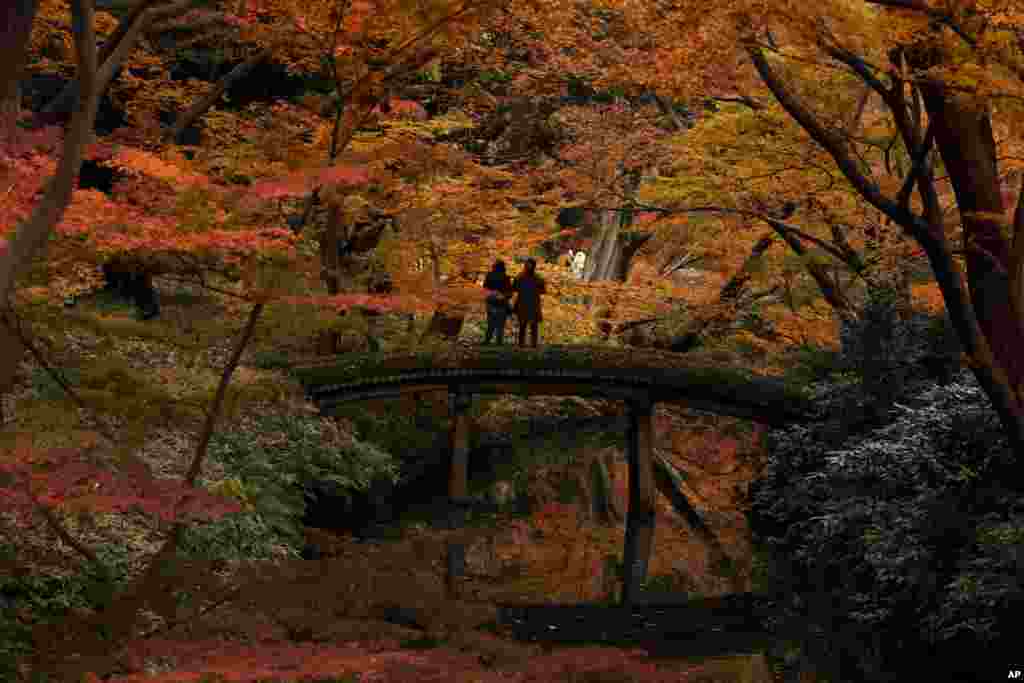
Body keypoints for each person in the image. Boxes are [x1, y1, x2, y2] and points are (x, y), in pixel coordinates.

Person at [512, 258, 546, 347]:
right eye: (527, 265)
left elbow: (542, 290)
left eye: (529, 265)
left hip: (530, 303)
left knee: (532, 325)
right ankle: (522, 343)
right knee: (524, 325)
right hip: (526, 303)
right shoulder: (522, 277)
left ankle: (532, 343)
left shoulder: (522, 277)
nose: (528, 267)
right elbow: (543, 290)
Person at [482, 260, 514, 344]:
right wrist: (503, 296)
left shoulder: (489, 276)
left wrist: (491, 295)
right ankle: (498, 341)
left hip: (491, 302)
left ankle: (487, 340)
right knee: (500, 324)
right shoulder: (506, 277)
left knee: (491, 323)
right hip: (501, 303)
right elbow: (510, 292)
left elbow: (485, 288)